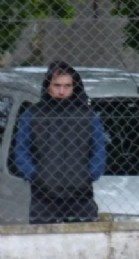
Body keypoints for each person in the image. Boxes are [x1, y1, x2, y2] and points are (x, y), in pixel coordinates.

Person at [15, 61, 106, 224]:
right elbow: (21, 151)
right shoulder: (32, 115)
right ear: (48, 86)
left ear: (74, 86)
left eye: (67, 86)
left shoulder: (89, 116)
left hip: (81, 195)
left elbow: (99, 149)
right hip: (43, 196)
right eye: (57, 85)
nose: (62, 91)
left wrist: (89, 175)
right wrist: (36, 176)